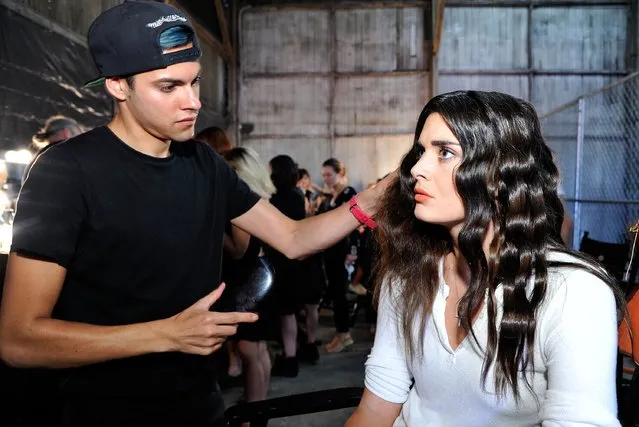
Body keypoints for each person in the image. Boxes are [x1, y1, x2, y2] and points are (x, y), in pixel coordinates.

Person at [0, 2, 384, 426]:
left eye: (194, 82)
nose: (194, 102)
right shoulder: (66, 171)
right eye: (169, 87)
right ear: (117, 86)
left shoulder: (205, 164)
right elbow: (19, 339)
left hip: (200, 405)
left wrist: (370, 202)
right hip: (105, 413)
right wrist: (164, 334)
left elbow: (294, 239)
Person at [346, 90, 623, 426]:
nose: (417, 168)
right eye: (421, 151)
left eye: (445, 152)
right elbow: (375, 409)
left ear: (500, 174)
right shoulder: (407, 275)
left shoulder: (573, 292)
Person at [222, 147, 276, 409]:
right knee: (258, 349)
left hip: (248, 279)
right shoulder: (260, 197)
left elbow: (238, 251)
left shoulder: (241, 202)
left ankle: (252, 414)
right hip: (262, 275)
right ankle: (259, 406)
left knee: (249, 349)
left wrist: (217, 234)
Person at [318, 158, 358, 353]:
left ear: (340, 174)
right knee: (335, 294)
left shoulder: (348, 194)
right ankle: (341, 333)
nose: (325, 179)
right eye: (324, 175)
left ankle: (344, 334)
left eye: (329, 175)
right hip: (332, 251)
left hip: (343, 252)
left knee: (340, 295)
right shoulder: (332, 195)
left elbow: (357, 225)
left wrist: (352, 252)